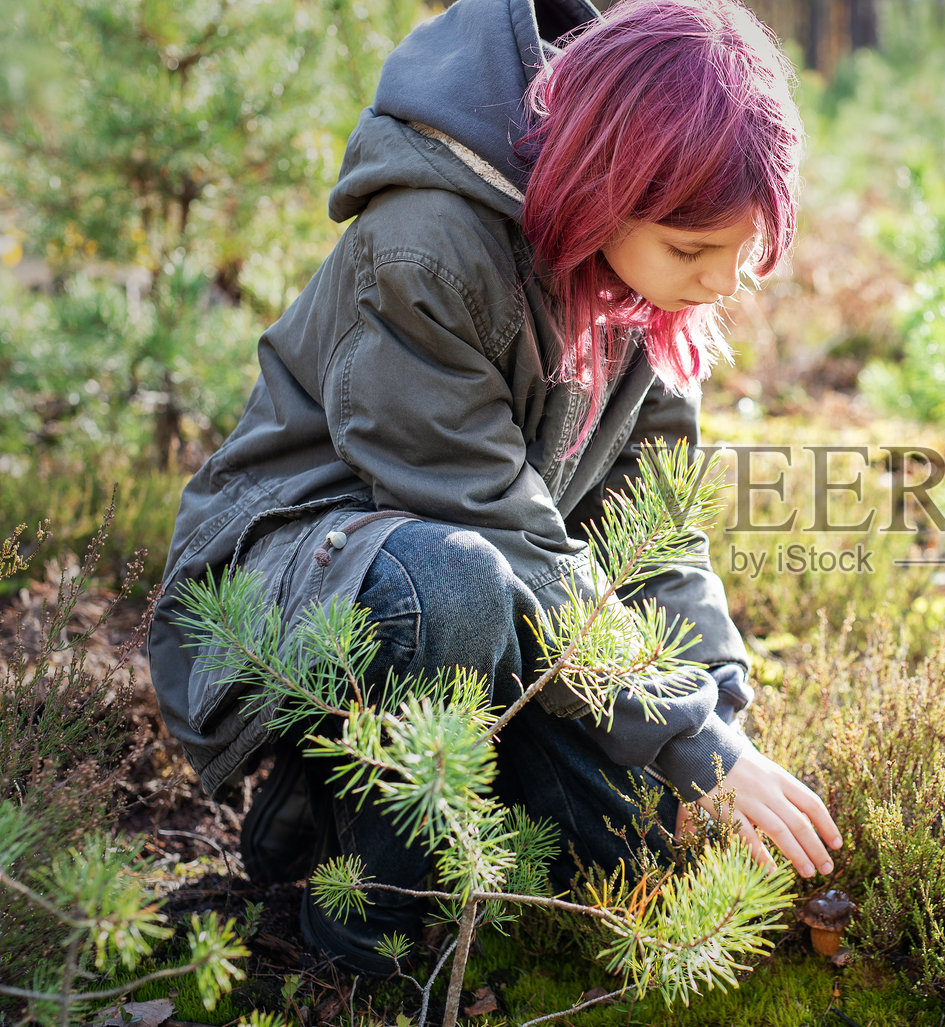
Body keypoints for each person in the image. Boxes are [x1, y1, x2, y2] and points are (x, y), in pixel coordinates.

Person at [146, 0, 841, 974]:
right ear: (601, 189)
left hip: (496, 596)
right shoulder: (429, 243)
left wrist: (719, 725)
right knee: (454, 583)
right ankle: (357, 938)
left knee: (642, 848)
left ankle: (334, 816)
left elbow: (656, 538)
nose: (721, 282)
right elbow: (496, 529)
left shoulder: (645, 290)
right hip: (285, 592)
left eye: (742, 249)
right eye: (691, 250)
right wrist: (686, 739)